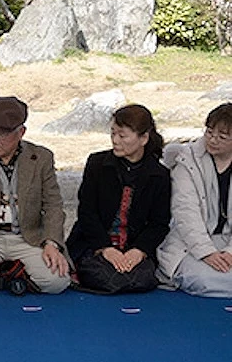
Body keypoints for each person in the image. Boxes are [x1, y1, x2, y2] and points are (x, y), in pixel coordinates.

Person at [0, 96, 70, 294]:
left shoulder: (41, 158)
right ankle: (12, 274)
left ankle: (10, 273)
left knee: (56, 281)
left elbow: (53, 204)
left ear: (21, 132)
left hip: (29, 236)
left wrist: (51, 243)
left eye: (0, 134)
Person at [66, 104, 170, 293]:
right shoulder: (97, 164)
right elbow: (87, 212)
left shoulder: (158, 174)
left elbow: (159, 223)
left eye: (122, 136)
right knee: (104, 275)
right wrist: (105, 248)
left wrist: (138, 250)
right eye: (113, 133)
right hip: (96, 243)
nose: (115, 140)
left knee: (141, 278)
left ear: (144, 138)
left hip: (132, 247)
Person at [157, 103, 232, 297]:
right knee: (203, 278)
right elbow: (185, 212)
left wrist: (230, 252)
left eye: (222, 137)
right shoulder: (187, 160)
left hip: (227, 241)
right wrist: (206, 252)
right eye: (209, 132)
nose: (213, 140)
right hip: (189, 243)